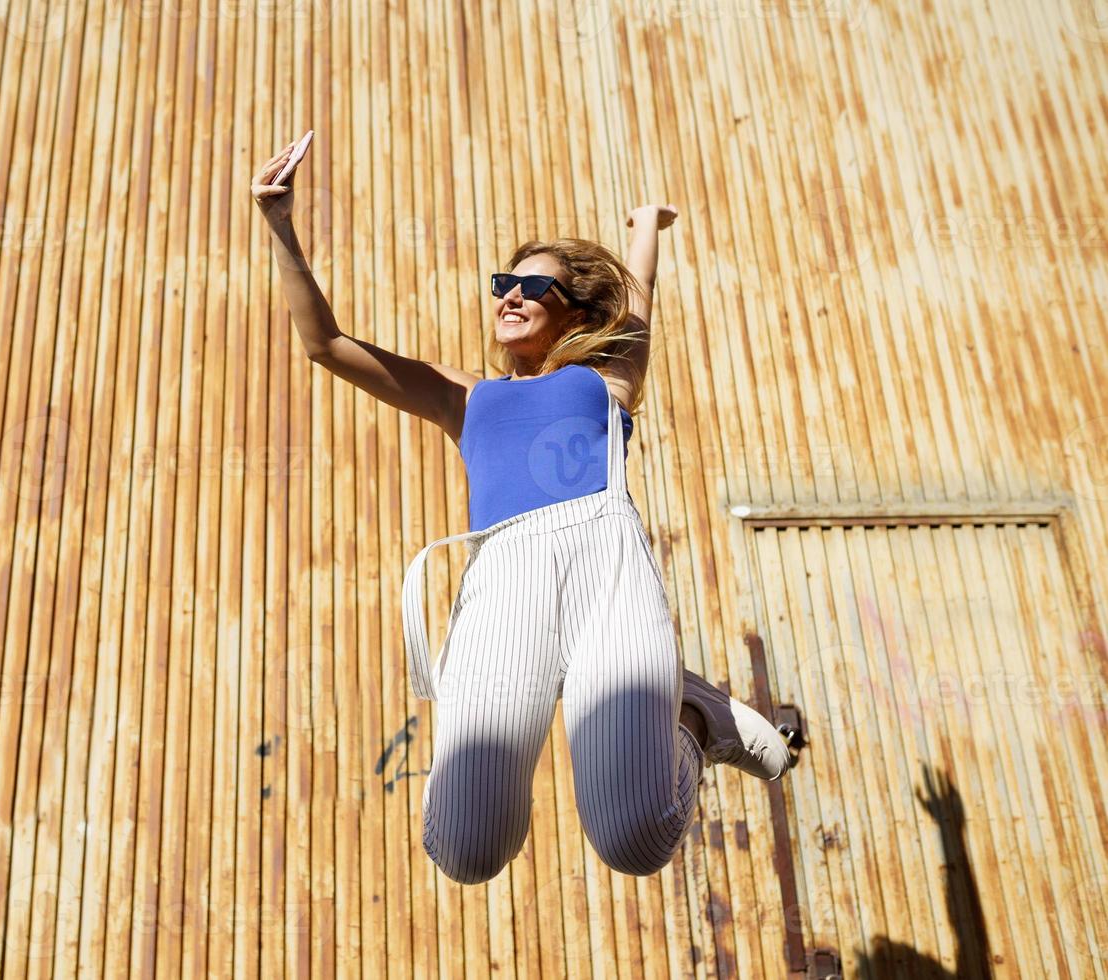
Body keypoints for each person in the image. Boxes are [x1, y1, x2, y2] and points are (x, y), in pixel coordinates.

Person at [251, 136, 791, 885]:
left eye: (533, 287)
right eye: (505, 281)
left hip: (604, 569)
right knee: (466, 848)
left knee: (634, 839)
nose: (509, 294)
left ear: (575, 312)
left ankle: (697, 719)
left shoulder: (609, 378)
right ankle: (691, 699)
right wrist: (278, 221)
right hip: (504, 580)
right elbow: (327, 343)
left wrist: (644, 229)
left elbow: (636, 296)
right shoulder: (466, 396)